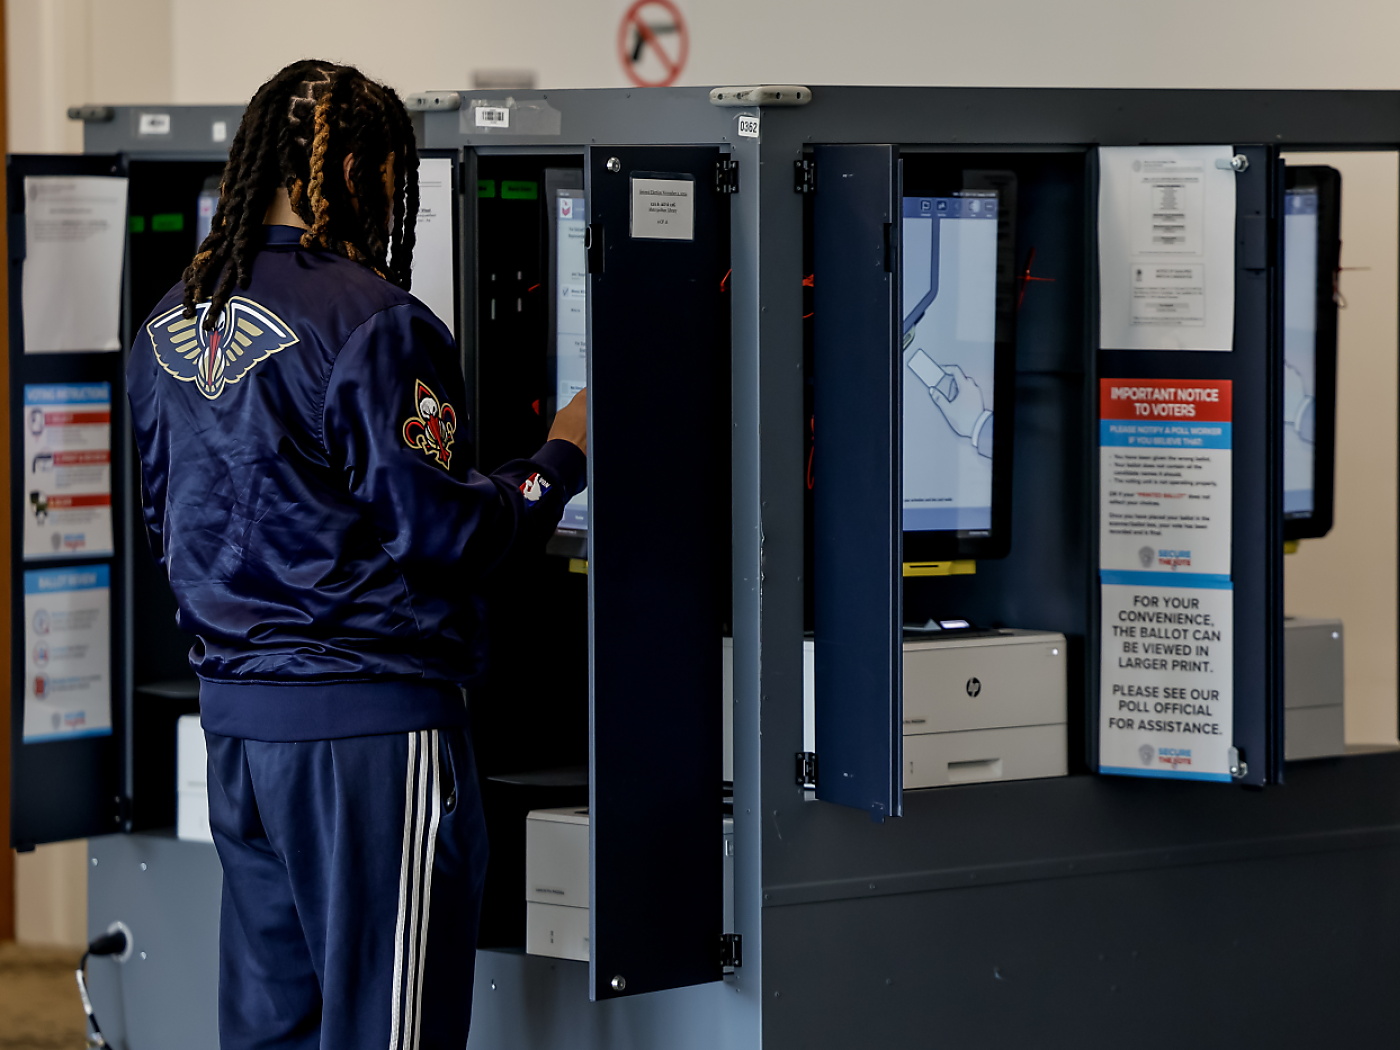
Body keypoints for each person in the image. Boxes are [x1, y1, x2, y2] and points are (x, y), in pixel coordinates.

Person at [126, 59, 587, 1050]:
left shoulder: (170, 321)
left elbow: (170, 524)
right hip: (371, 737)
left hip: (238, 738)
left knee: (274, 1035)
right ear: (356, 172)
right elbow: (444, 535)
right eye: (387, 177)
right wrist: (557, 461)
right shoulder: (375, 322)